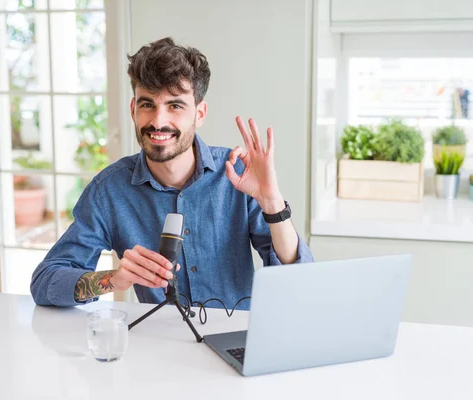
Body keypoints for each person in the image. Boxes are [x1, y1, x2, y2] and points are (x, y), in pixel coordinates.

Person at [30, 37, 313, 309]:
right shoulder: (109, 190)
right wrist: (112, 280)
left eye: (175, 105)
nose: (158, 121)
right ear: (133, 109)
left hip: (238, 341)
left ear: (199, 114)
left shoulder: (238, 174)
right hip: (162, 346)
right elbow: (45, 281)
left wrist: (273, 203)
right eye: (147, 104)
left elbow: (299, 279)